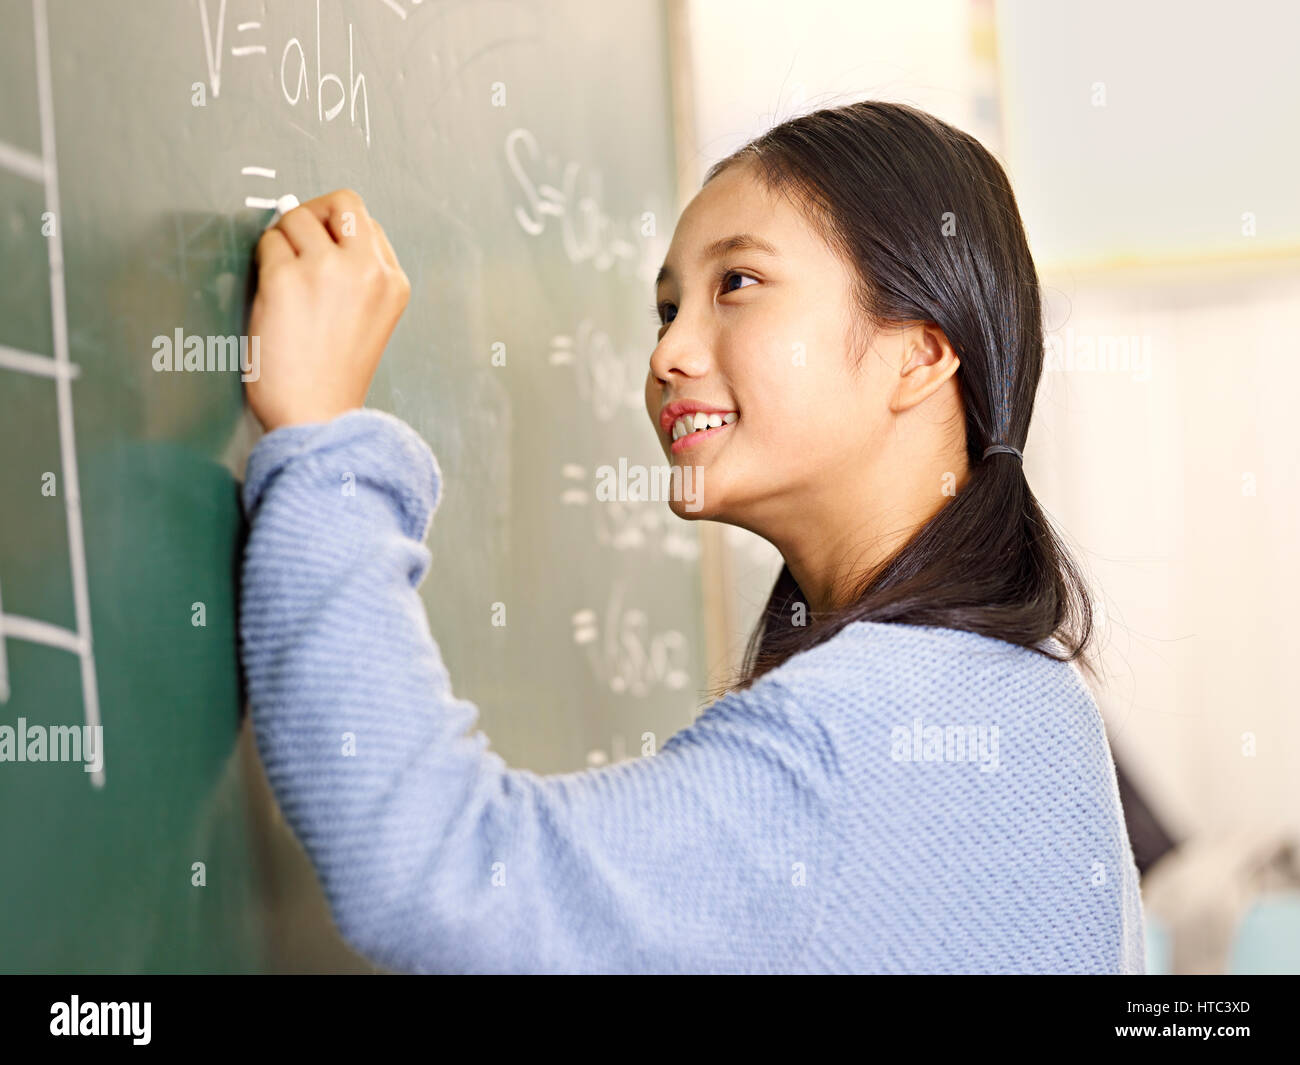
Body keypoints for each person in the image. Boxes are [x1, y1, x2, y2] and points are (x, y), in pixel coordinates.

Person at [240, 100, 1146, 974]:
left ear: (920, 351)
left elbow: (441, 872)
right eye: (668, 309)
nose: (668, 354)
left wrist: (324, 437)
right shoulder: (1034, 693)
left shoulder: (852, 739)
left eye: (737, 284)